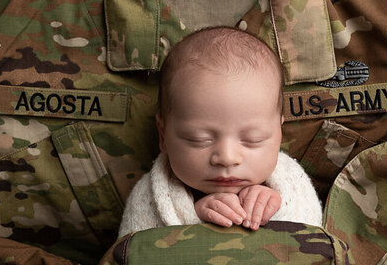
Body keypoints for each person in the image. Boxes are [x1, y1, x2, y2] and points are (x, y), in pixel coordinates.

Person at [117, 26, 322, 235]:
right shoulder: (151, 195)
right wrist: (193, 218)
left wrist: (278, 209)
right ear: (163, 135)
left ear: (278, 133)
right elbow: (135, 255)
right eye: (199, 139)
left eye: (253, 139)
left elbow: (313, 243)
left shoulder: (290, 184)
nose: (227, 158)